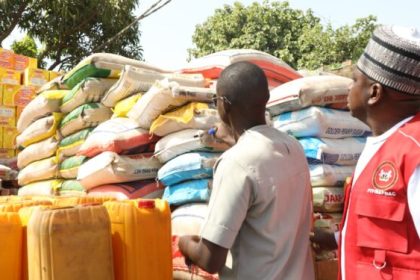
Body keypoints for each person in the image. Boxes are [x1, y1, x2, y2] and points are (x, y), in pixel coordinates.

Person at [178, 61, 315, 280]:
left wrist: (184, 242)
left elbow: (210, 259)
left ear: (224, 105)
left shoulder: (235, 163)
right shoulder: (293, 147)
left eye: (216, 101)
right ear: (266, 99)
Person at [311, 25, 420, 279]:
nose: (349, 89)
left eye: (354, 81)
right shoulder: (383, 143)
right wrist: (339, 238)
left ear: (374, 93)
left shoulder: (413, 151)